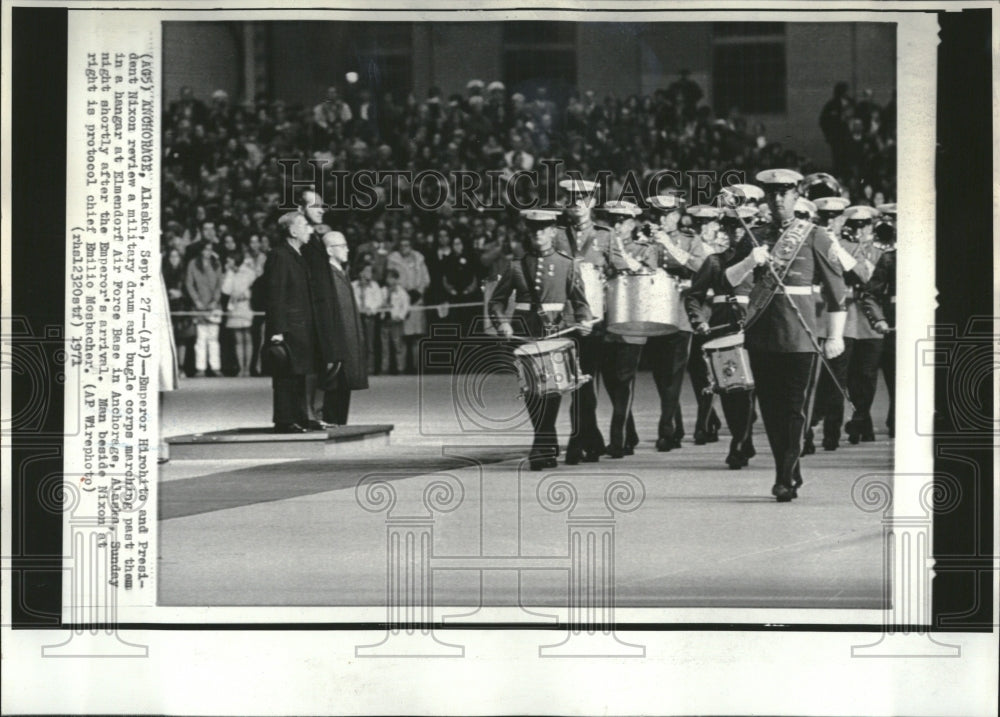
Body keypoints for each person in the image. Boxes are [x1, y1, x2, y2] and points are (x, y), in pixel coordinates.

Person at [725, 168, 847, 502]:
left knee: (793, 409)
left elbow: (837, 291)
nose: (778, 199)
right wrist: (750, 260)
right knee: (770, 409)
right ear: (766, 197)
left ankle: (783, 476)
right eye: (772, 193)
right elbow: (729, 279)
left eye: (785, 193)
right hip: (762, 334)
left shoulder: (814, 235)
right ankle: (789, 466)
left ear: (796, 196)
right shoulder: (754, 234)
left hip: (800, 336)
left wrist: (834, 336)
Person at [489, 209, 593, 471]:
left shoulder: (567, 264)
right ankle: (546, 442)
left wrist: (584, 319)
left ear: (552, 232)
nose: (538, 234)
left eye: (543, 229)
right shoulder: (516, 266)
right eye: (533, 229)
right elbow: (497, 301)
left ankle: (541, 445)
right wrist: (501, 323)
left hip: (555, 333)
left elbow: (581, 302)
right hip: (524, 334)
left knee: (552, 389)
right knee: (533, 392)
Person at [685, 204, 759, 469]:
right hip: (723, 328)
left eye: (744, 225)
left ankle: (742, 439)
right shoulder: (714, 260)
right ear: (726, 229)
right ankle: (741, 438)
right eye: (732, 226)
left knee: (752, 389)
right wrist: (700, 321)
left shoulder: (762, 259)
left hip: (756, 327)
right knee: (731, 389)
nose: (738, 231)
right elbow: (693, 296)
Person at [559, 178, 609, 464]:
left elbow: (623, 270)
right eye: (572, 197)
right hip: (564, 317)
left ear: (592, 201)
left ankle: (577, 440)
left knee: (585, 381)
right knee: (572, 381)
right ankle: (592, 438)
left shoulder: (605, 235)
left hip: (594, 318)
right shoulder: (555, 234)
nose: (577, 202)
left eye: (583, 197)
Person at [264, 212, 320, 433]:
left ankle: (298, 417)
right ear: (292, 230)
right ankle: (285, 419)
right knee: (286, 375)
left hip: (300, 327)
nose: (310, 229)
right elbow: (275, 294)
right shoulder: (280, 255)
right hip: (288, 328)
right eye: (305, 225)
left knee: (298, 374)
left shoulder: (297, 255)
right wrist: (277, 330)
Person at [311, 230, 369, 426]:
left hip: (348, 342)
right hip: (339, 343)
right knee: (334, 392)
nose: (347, 249)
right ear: (329, 250)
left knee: (343, 391)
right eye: (342, 246)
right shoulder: (328, 276)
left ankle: (339, 425)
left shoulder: (340, 273)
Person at [840, 205, 885, 444]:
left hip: (870, 321)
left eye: (864, 225)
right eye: (855, 225)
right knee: (850, 375)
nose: (860, 229)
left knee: (867, 375)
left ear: (871, 225)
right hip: (849, 319)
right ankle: (862, 422)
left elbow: (868, 278)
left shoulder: (879, 251)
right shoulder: (842, 246)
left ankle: (860, 419)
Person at [861, 203, 897, 438]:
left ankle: (900, 421)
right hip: (892, 325)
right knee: (882, 376)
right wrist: (879, 320)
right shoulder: (889, 258)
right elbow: (871, 293)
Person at [387, 237, 431, 372]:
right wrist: (403, 294)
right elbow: (391, 278)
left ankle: (417, 368)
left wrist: (418, 292)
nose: (404, 247)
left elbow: (426, 279)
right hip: (400, 301)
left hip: (417, 301)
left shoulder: (419, 259)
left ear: (411, 246)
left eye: (407, 245)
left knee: (416, 337)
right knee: (402, 338)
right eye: (401, 245)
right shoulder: (393, 260)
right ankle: (402, 369)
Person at [184, 240, 223, 377]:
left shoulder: (216, 263)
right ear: (201, 250)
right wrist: (196, 301)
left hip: (214, 306)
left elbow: (220, 284)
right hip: (199, 306)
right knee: (200, 339)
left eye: (210, 249)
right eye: (206, 249)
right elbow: (189, 283)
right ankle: (200, 368)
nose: (208, 252)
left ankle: (215, 367)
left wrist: (215, 301)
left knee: (213, 338)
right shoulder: (193, 264)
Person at [221, 245, 257, 377]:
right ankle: (241, 368)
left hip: (245, 306)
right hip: (234, 308)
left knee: (247, 338)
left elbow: (252, 281)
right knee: (238, 339)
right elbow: (226, 290)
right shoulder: (230, 273)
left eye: (229, 260)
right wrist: (229, 273)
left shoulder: (247, 272)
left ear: (235, 259)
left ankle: (248, 368)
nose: (227, 263)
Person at [163, 246, 195, 374]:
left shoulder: (184, 272)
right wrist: (169, 293)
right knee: (170, 340)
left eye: (176, 256)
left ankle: (181, 367)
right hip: (169, 308)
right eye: (172, 256)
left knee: (182, 340)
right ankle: (170, 367)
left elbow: (190, 289)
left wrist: (181, 294)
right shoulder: (164, 273)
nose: (174, 259)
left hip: (182, 308)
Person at [353, 264, 384, 375]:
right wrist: (359, 309)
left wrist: (371, 308)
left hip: (370, 317)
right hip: (356, 317)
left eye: (370, 271)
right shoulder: (353, 285)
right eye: (366, 271)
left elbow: (379, 300)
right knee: (357, 344)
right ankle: (358, 369)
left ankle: (370, 368)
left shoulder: (374, 285)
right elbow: (351, 300)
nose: (368, 273)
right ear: (360, 272)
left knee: (370, 343)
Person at [379, 268, 411, 375]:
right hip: (385, 321)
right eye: (388, 278)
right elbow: (378, 303)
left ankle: (401, 368)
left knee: (398, 346)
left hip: (396, 321)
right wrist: (382, 306)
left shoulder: (401, 292)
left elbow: (406, 306)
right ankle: (385, 369)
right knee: (384, 347)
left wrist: (400, 316)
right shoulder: (383, 290)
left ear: (396, 279)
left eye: (392, 278)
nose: (389, 280)